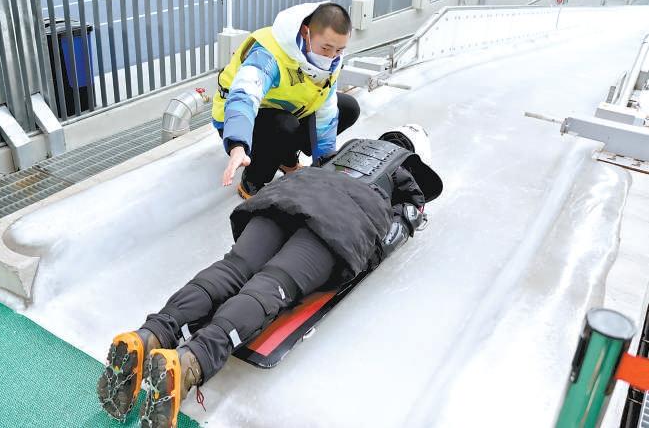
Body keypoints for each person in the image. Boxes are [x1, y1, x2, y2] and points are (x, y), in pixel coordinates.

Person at [97, 126, 443, 428]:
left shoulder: (349, 148)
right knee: (273, 283)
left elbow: (316, 165)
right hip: (339, 223)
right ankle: (191, 361)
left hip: (291, 195)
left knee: (233, 268)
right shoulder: (404, 169)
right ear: (416, 155)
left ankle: (152, 334)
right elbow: (403, 222)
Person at [213, 1, 360, 199]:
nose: (332, 56)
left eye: (339, 50)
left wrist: (323, 163)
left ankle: (286, 159)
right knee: (284, 125)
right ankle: (253, 180)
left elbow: (326, 107)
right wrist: (237, 144)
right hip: (238, 117)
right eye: (326, 48)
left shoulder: (332, 60)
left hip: (286, 110)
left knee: (347, 107)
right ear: (305, 33)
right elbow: (244, 96)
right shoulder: (269, 54)